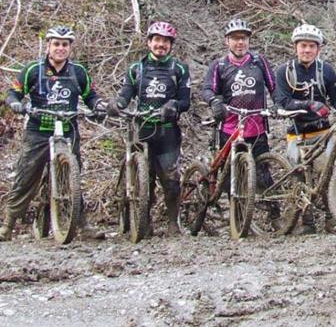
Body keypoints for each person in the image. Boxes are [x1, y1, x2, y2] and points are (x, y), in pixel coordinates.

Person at [1, 25, 106, 241]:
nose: (60, 48)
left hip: (68, 129)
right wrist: (15, 104)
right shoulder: (33, 70)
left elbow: (91, 96)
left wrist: (99, 105)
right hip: (39, 130)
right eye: (56, 44)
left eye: (64, 44)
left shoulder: (78, 72)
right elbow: (13, 93)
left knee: (73, 176)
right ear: (48, 46)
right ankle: (8, 224)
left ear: (70, 48)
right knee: (26, 176)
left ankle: (83, 225)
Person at [106, 21, 191, 235]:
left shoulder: (179, 69)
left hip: (167, 131)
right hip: (141, 129)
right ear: (149, 42)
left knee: (171, 180)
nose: (160, 45)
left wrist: (174, 105)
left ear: (171, 45)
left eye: (165, 41)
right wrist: (118, 104)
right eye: (157, 40)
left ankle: (173, 222)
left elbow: (185, 100)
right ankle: (143, 221)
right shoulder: (137, 69)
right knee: (143, 179)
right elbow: (126, 94)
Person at [273, 23, 336, 233]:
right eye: (303, 46)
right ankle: (307, 222)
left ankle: (332, 219)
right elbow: (282, 102)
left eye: (312, 46)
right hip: (296, 132)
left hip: (322, 132)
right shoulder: (284, 72)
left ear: (318, 49)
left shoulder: (326, 70)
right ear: (296, 47)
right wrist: (309, 105)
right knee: (299, 177)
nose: (307, 50)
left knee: (327, 174)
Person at [200, 19, 276, 187]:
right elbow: (207, 89)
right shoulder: (219, 65)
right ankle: (235, 210)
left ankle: (272, 210)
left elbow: (273, 86)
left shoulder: (258, 61)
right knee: (230, 180)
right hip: (229, 129)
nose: (240, 42)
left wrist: (277, 104)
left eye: (244, 38)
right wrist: (214, 102)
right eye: (235, 38)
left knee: (263, 177)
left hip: (257, 128)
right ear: (227, 41)